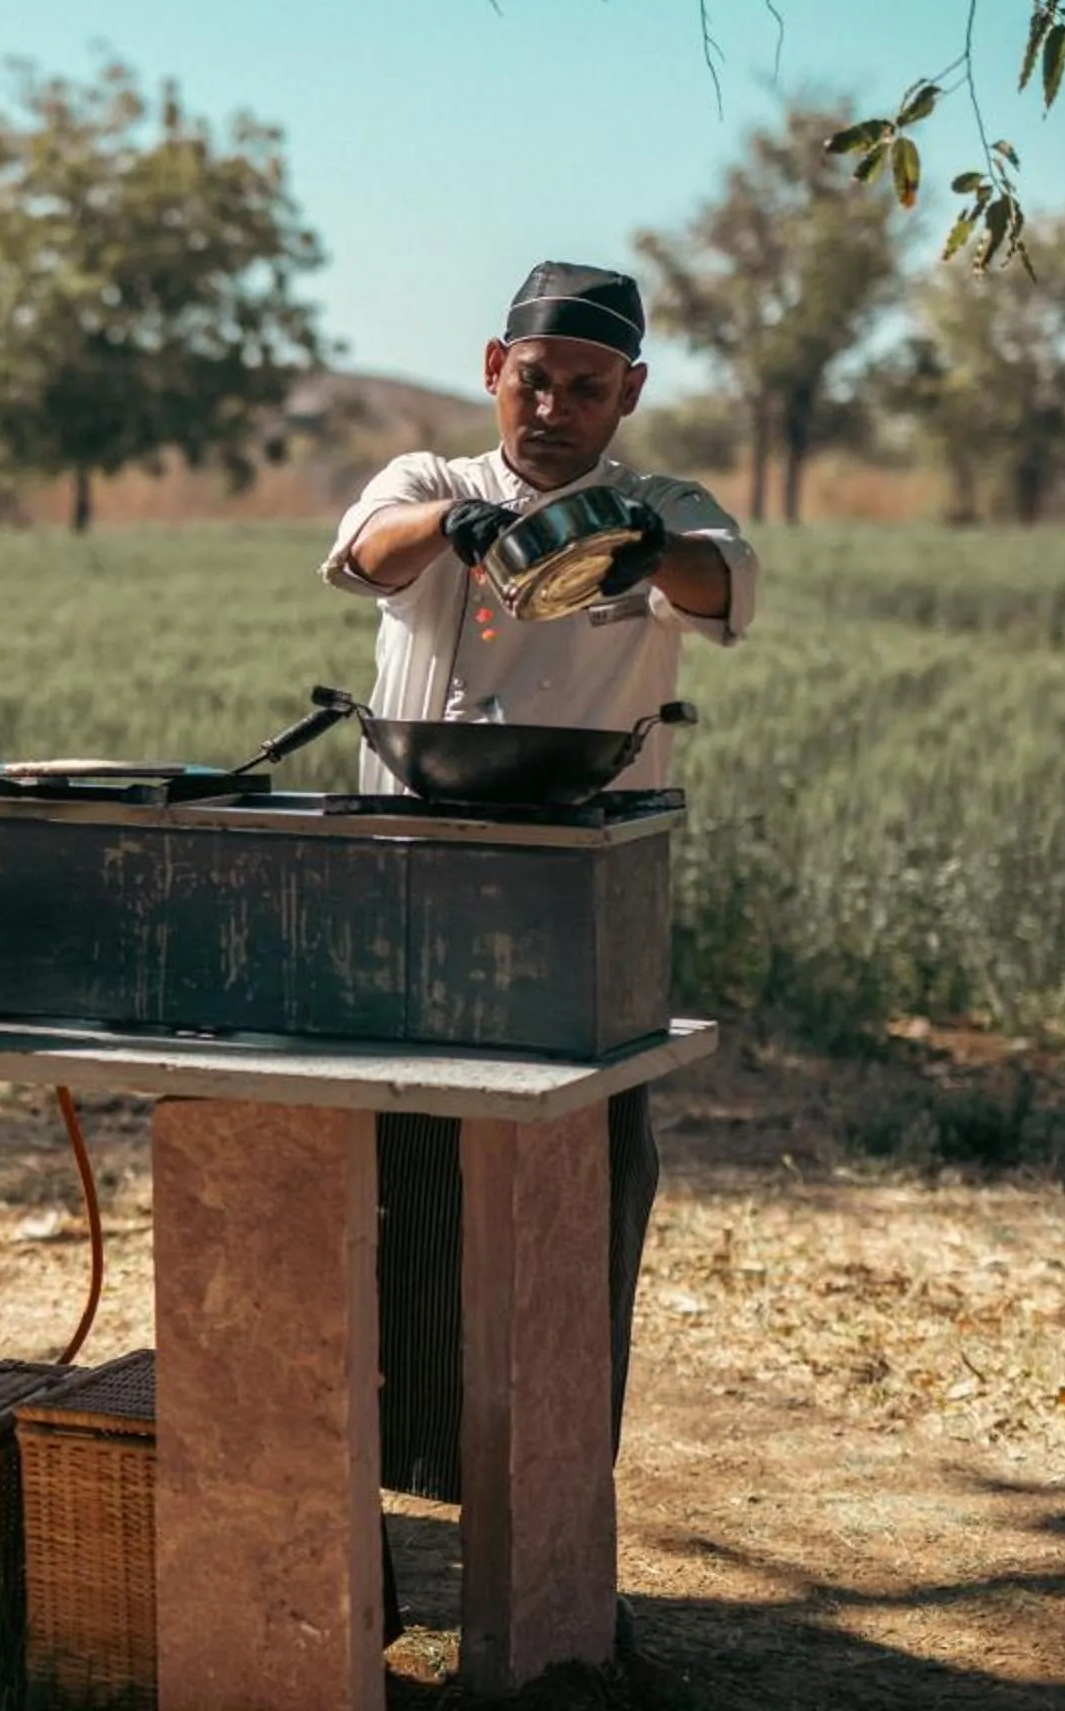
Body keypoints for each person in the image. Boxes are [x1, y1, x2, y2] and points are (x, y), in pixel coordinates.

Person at [319, 260, 757, 1654]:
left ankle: (560, 1543)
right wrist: (468, 521)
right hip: (410, 876)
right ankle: (375, 1554)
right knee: (393, 1208)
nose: (556, 406)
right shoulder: (425, 474)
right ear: (494, 365)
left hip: (572, 886)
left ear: (630, 393)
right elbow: (371, 550)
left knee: (573, 1203)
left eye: (588, 388)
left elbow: (721, 582)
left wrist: (624, 536)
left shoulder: (665, 508)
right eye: (536, 379)